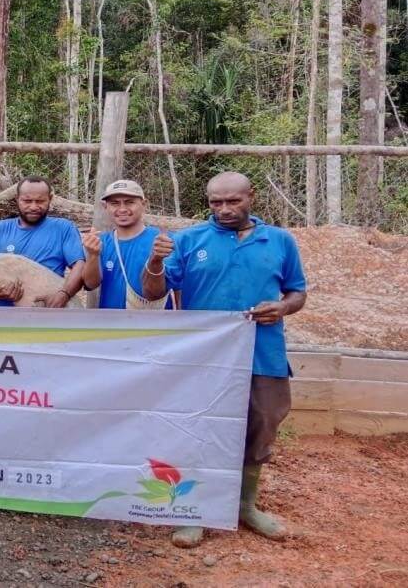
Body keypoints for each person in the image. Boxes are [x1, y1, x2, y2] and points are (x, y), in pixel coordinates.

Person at [142, 171, 307, 549]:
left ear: (252, 195)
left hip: (262, 352)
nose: (225, 209)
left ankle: (245, 505)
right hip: (204, 356)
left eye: (233, 201)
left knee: (263, 420)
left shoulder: (279, 240)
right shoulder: (190, 239)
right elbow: (155, 290)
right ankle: (195, 509)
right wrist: (154, 261)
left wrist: (281, 307)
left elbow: (297, 293)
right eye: (216, 202)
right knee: (199, 428)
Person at [0, 176, 86, 307]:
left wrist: (64, 294)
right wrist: (0, 290)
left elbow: (79, 265)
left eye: (40, 201)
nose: (33, 206)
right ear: (17, 199)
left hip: (48, 312)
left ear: (50, 199)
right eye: (27, 201)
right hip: (4, 316)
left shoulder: (64, 228)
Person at [80, 179, 172, 309]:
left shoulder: (162, 241)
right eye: (115, 203)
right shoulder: (100, 242)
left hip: (154, 322)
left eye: (129, 202)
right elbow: (91, 284)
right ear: (105, 207)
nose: (122, 209)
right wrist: (93, 255)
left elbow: (178, 287)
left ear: (144, 204)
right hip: (113, 323)